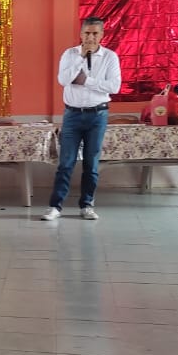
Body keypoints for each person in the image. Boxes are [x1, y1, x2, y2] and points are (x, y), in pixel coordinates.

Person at [42, 17, 122, 221]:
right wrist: (81, 59)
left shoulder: (110, 57)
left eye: (95, 33)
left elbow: (114, 87)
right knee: (66, 163)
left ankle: (87, 205)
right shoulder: (69, 54)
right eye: (87, 33)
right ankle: (55, 207)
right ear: (81, 34)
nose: (90, 38)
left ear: (102, 35)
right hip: (72, 115)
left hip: (98, 115)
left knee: (91, 164)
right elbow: (63, 80)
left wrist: (86, 81)